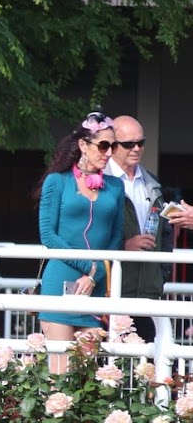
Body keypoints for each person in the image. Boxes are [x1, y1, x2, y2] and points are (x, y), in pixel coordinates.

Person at [36, 111, 127, 372]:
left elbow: (115, 237)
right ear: (83, 146)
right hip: (60, 282)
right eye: (103, 146)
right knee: (60, 374)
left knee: (86, 380)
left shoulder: (115, 187)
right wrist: (90, 267)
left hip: (94, 285)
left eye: (113, 146)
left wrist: (95, 274)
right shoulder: (57, 181)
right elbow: (48, 236)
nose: (109, 153)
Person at [105, 115, 167, 342]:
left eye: (141, 142)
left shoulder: (151, 181)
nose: (136, 148)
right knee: (107, 368)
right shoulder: (99, 181)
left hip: (147, 293)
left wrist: (161, 273)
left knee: (147, 367)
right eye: (128, 144)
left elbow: (165, 234)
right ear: (112, 145)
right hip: (110, 291)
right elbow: (89, 235)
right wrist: (123, 246)